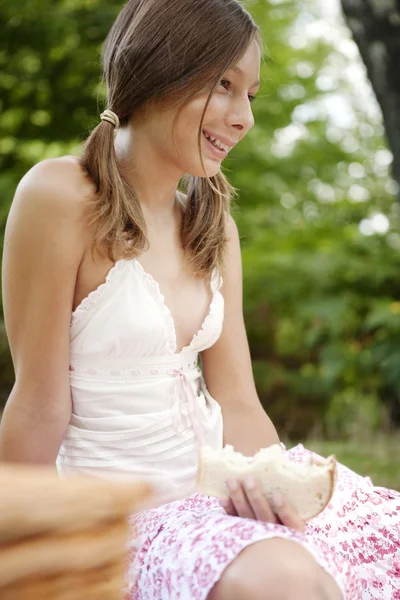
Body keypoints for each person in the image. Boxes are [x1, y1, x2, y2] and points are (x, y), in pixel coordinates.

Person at [0, 0, 398, 598]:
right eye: (223, 85)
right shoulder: (59, 196)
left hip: (217, 508)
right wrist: (23, 556)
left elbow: (237, 401)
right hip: (128, 519)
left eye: (251, 95)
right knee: (282, 577)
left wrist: (279, 496)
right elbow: (38, 406)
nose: (244, 118)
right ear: (159, 69)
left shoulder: (214, 226)